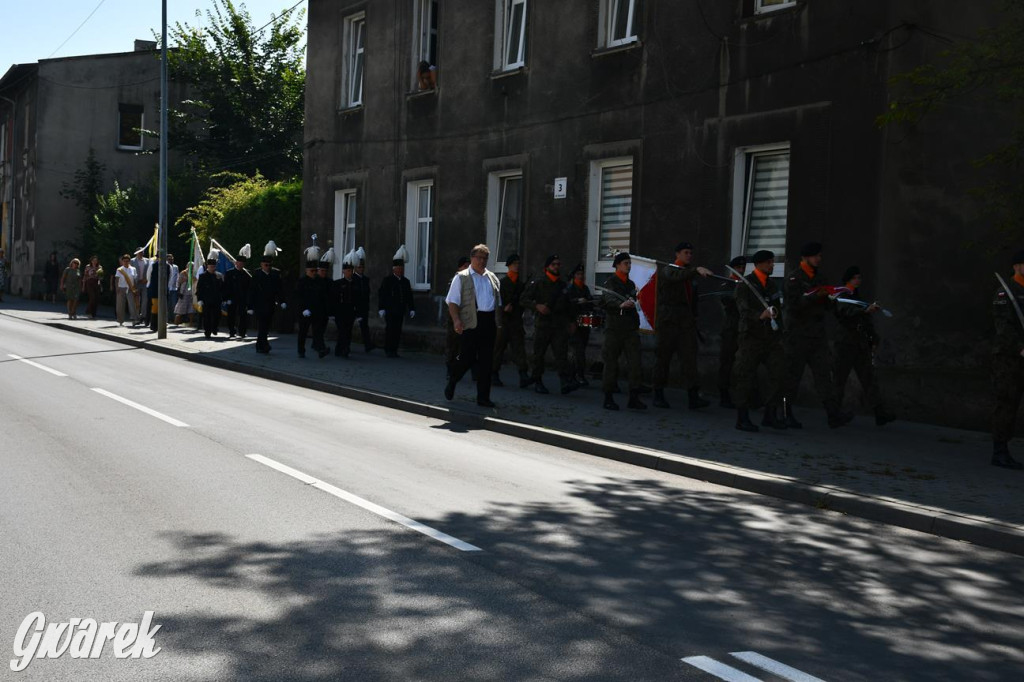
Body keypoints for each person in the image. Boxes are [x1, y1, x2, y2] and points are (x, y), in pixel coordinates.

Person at [782, 242, 853, 429]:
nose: (819, 259)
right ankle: (785, 413)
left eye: (820, 256)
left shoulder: (821, 277)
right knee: (792, 376)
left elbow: (827, 305)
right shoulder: (794, 279)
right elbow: (793, 306)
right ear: (806, 257)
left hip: (817, 336)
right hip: (798, 336)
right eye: (816, 256)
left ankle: (833, 414)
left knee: (824, 376)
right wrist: (815, 296)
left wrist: (831, 298)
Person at [652, 242, 714, 410]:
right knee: (663, 359)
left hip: (685, 323)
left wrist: (694, 316)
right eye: (686, 252)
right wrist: (696, 270)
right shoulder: (669, 270)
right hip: (668, 322)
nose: (689, 256)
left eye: (690, 253)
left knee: (689, 359)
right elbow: (676, 276)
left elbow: (692, 299)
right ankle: (658, 393)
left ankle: (693, 396)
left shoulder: (689, 274)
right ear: (677, 254)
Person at [732, 250, 788, 432]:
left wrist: (780, 328)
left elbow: (777, 309)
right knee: (745, 377)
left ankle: (770, 414)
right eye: (769, 262)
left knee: (780, 373)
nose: (772, 265)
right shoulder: (745, 285)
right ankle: (742, 418)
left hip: (770, 338)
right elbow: (743, 310)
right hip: (751, 337)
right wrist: (760, 315)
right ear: (759, 264)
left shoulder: (771, 285)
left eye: (773, 262)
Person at [834, 266, 895, 427]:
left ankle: (879, 412)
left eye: (859, 278)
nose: (858, 280)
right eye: (855, 277)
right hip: (845, 344)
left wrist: (873, 337)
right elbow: (845, 312)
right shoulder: (841, 296)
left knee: (868, 378)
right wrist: (864, 311)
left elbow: (865, 321)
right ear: (849, 279)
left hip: (860, 344)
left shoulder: (857, 297)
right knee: (839, 379)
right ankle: (834, 412)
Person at [444, 244, 503, 407]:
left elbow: (498, 302)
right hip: (470, 322)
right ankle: (453, 380)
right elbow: (452, 301)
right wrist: (456, 320)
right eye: (479, 258)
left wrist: (499, 323)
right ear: (472, 258)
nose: (482, 261)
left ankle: (483, 398)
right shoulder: (461, 277)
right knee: (466, 358)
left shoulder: (492, 277)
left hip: (488, 322)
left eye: (485, 258)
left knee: (486, 361)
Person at [521, 255, 580, 395]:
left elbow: (569, 305)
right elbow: (523, 299)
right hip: (543, 324)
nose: (556, 266)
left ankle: (565, 381)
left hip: (559, 324)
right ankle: (537, 380)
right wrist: (537, 306)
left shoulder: (563, 285)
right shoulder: (539, 283)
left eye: (558, 264)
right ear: (547, 267)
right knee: (539, 354)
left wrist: (572, 321)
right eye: (553, 264)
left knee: (561, 353)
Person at [990, 251, 1024, 469]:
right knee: (1007, 403)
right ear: (1017, 266)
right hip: (1009, 359)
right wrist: (1020, 348)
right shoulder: (1005, 292)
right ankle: (1000, 451)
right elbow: (1003, 326)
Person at [600, 253, 646, 410]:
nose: (629, 266)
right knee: (611, 363)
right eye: (626, 263)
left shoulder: (631, 284)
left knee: (635, 363)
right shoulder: (610, 282)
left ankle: (634, 397)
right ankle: (608, 397)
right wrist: (620, 304)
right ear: (618, 265)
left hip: (630, 328)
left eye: (630, 263)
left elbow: (634, 299)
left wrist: (634, 302)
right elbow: (608, 299)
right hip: (614, 328)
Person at [493, 254, 530, 388]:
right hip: (504, 321)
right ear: (509, 266)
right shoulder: (502, 283)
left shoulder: (520, 284)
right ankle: (493, 373)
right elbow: (497, 301)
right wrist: (504, 308)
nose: (517, 266)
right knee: (498, 348)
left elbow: (523, 301)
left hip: (516, 321)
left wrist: (518, 307)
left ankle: (523, 374)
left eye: (518, 264)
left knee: (519, 348)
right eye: (514, 264)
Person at [718, 256, 746, 408]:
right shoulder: (727, 283)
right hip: (730, 328)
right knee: (727, 361)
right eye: (738, 268)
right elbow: (726, 299)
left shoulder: (746, 284)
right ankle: (724, 393)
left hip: (744, 328)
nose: (741, 270)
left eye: (743, 268)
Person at [378, 246, 415, 358]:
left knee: (398, 330)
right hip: (390, 310)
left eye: (401, 268)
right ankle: (388, 349)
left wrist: (412, 308)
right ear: (394, 269)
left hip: (400, 310)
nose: (400, 270)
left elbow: (409, 296)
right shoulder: (387, 280)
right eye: (398, 268)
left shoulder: (405, 282)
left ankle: (394, 349)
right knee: (390, 330)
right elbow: (382, 294)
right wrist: (381, 308)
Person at [249, 244, 285, 354]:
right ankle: (264, 345)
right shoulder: (257, 274)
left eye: (269, 265)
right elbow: (252, 291)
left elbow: (279, 289)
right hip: (259, 304)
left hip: (270, 304)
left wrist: (282, 301)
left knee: (267, 326)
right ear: (261, 264)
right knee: (262, 325)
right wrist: (250, 306)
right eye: (265, 265)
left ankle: (259, 345)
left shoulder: (275, 274)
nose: (268, 267)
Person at [567, 264, 595, 387]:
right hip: (574, 322)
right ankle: (576, 375)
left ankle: (576, 374)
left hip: (584, 322)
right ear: (574, 276)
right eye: (578, 274)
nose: (581, 276)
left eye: (582, 274)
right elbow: (566, 303)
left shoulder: (585, 288)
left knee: (581, 349)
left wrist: (590, 302)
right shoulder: (570, 289)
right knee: (576, 350)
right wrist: (577, 301)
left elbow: (590, 302)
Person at [445, 256, 472, 380]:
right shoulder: (454, 281)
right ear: (460, 267)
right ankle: (450, 369)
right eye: (465, 266)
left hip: (468, 318)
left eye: (469, 266)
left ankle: (472, 370)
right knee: (453, 344)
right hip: (454, 318)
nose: (467, 268)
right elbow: (452, 301)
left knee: (468, 345)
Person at [296, 258, 328, 358]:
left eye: (315, 270)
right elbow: (298, 296)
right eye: (312, 271)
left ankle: (321, 349)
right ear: (307, 270)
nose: (314, 273)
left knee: (318, 331)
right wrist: (303, 309)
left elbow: (323, 296)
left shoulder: (319, 281)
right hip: (305, 311)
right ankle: (301, 350)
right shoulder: (302, 281)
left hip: (317, 310)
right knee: (303, 331)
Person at [332, 252, 358, 357]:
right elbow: (334, 299)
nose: (350, 273)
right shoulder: (338, 283)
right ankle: (343, 349)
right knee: (342, 331)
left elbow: (357, 299)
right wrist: (333, 312)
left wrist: (358, 312)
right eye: (348, 271)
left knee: (348, 331)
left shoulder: (355, 284)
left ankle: (342, 349)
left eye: (351, 271)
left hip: (350, 311)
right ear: (343, 271)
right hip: (340, 311)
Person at [223, 249, 252, 339]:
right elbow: (226, 286)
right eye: (239, 262)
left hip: (242, 298)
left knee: (243, 315)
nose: (241, 264)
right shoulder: (229, 273)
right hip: (232, 298)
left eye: (242, 263)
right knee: (231, 315)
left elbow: (249, 287)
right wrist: (226, 298)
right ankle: (232, 331)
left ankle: (242, 332)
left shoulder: (247, 274)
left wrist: (248, 299)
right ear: (236, 263)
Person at [352, 248, 376, 352]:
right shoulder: (353, 278)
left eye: (362, 267)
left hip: (363, 306)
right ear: (355, 268)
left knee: (365, 326)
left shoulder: (365, 279)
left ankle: (367, 344)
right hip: (354, 305)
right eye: (359, 267)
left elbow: (367, 292)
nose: (361, 269)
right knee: (348, 326)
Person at [195, 258, 224, 339]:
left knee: (217, 315)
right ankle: (207, 332)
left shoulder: (219, 275)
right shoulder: (203, 276)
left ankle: (214, 328)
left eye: (214, 266)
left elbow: (222, 288)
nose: (212, 268)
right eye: (211, 266)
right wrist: (199, 299)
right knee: (207, 316)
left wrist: (224, 298)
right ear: (207, 266)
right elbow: (199, 288)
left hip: (217, 299)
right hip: (206, 300)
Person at [146, 255, 170, 331]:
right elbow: (148, 277)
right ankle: (153, 325)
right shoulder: (152, 265)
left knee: (162, 307)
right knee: (155, 307)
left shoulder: (168, 266)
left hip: (164, 290)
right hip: (154, 289)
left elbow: (170, 278)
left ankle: (161, 324)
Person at [113, 254, 138, 326]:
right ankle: (120, 320)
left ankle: (134, 319)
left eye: (127, 261)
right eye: (124, 261)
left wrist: (135, 289)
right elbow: (116, 279)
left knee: (132, 305)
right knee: (120, 305)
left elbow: (135, 279)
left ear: (129, 261)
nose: (126, 262)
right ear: (122, 261)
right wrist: (117, 288)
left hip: (130, 288)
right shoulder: (119, 269)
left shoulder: (133, 269)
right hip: (121, 288)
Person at [132, 249, 150, 325]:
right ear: (136, 253)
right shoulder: (132, 261)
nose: (141, 253)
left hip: (145, 283)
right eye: (139, 252)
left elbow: (149, 271)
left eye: (142, 252)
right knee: (136, 301)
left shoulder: (147, 261)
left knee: (145, 300)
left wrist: (147, 279)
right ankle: (136, 317)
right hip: (136, 283)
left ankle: (143, 316)